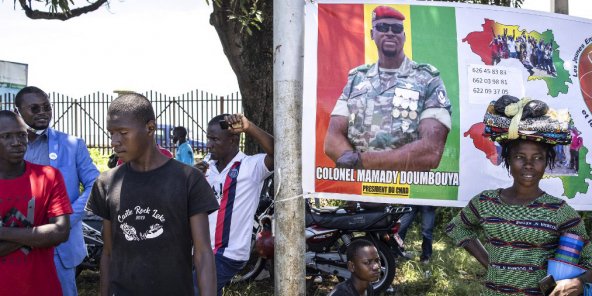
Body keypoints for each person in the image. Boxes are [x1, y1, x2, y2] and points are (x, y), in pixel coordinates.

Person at [85, 93, 219, 295]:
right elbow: (108, 253)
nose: (114, 141)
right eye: (111, 133)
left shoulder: (188, 180)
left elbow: (202, 253)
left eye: (122, 132)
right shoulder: (106, 183)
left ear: (150, 128)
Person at [447, 139, 592, 295]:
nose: (528, 164)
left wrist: (578, 282)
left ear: (546, 162)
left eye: (537, 158)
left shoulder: (559, 211)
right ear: (508, 159)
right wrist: (490, 263)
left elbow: (589, 260)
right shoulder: (486, 202)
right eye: (519, 157)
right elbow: (457, 227)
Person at [324, 5, 451, 171]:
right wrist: (359, 165)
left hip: (410, 189)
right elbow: (332, 140)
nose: (390, 32)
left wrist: (361, 161)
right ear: (372, 34)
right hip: (360, 190)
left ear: (404, 36)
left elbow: (430, 151)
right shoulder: (357, 79)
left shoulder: (428, 79)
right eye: (383, 27)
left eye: (397, 28)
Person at [13, 86, 99, 296]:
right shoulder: (8, 145)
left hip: (61, 247)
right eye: (34, 108)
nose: (42, 112)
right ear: (18, 111)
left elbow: (96, 183)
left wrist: (68, 216)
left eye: (47, 107)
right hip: (16, 244)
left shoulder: (72, 144)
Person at [0, 110, 72, 296]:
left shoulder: (48, 176)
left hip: (42, 287)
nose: (17, 142)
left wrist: (3, 233)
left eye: (21, 135)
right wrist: (38, 233)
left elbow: (60, 233)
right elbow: (50, 233)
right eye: (6, 136)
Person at [203, 113, 274, 295]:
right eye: (208, 138)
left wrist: (249, 127)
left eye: (214, 139)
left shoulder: (250, 166)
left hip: (227, 254)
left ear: (233, 140)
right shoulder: (206, 166)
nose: (209, 144)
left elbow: (279, 152)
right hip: (201, 250)